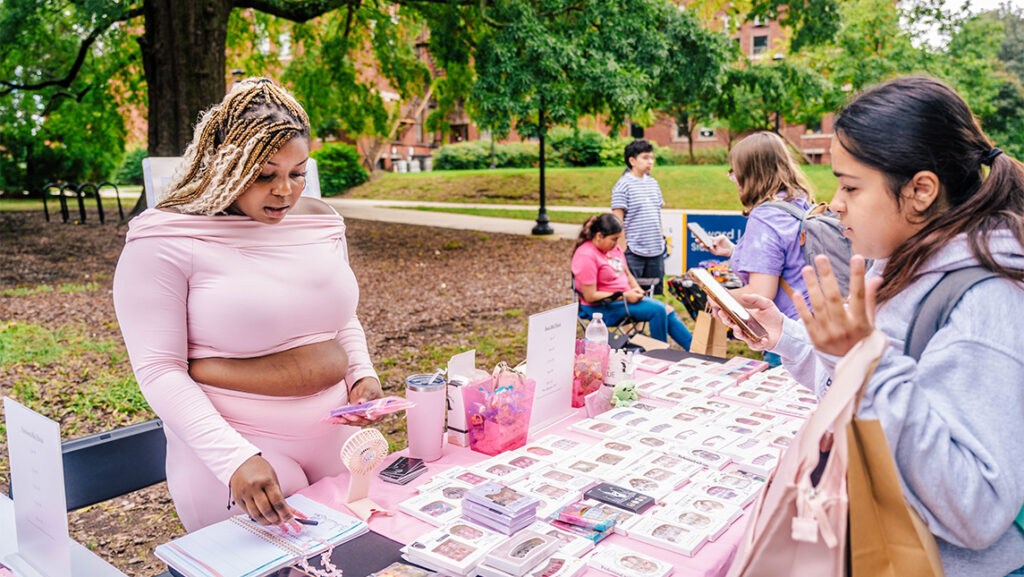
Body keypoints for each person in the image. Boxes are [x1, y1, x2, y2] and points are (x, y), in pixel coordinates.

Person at [717, 76, 1024, 576]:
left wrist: (865, 359)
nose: (835, 203)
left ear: (920, 191)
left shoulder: (986, 300)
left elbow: (978, 507)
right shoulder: (900, 265)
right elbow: (856, 396)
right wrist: (788, 339)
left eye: (851, 186)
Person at [113, 78, 384, 532]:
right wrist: (234, 458)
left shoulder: (320, 225)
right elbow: (159, 368)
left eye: (297, 173)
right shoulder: (163, 242)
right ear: (223, 166)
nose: (285, 191)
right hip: (240, 450)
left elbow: (339, 316)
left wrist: (362, 375)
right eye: (264, 175)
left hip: (338, 442)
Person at [705, 131, 814, 322]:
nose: (734, 180)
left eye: (734, 173)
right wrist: (733, 251)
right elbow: (787, 259)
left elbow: (760, 293)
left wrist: (719, 297)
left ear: (749, 175)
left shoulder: (765, 217)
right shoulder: (799, 201)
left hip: (791, 326)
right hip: (816, 317)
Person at [572, 213, 692, 349]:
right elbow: (590, 296)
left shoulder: (613, 248)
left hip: (624, 300)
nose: (617, 244)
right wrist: (624, 296)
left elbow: (627, 273)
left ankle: (696, 350)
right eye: (613, 239)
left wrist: (637, 289)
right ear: (599, 236)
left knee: (667, 310)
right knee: (658, 310)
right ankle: (660, 356)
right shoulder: (586, 255)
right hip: (601, 308)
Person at [612, 139, 666, 295]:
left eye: (652, 158)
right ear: (632, 160)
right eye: (645, 157)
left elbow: (657, 214)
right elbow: (617, 220)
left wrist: (661, 239)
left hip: (656, 250)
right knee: (632, 295)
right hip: (634, 251)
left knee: (653, 295)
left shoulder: (653, 183)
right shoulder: (623, 185)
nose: (650, 162)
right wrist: (624, 247)